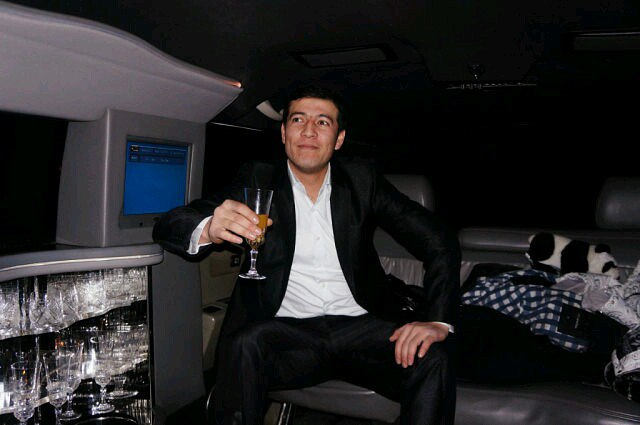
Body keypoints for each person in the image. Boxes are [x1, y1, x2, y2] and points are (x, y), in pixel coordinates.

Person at [153, 86, 461, 425]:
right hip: (289, 335)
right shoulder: (257, 178)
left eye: (323, 122)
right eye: (298, 120)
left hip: (361, 329)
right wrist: (209, 227)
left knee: (433, 356)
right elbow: (170, 223)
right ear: (284, 133)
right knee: (244, 344)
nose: (309, 131)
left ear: (339, 139)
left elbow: (439, 240)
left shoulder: (362, 180)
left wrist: (437, 320)